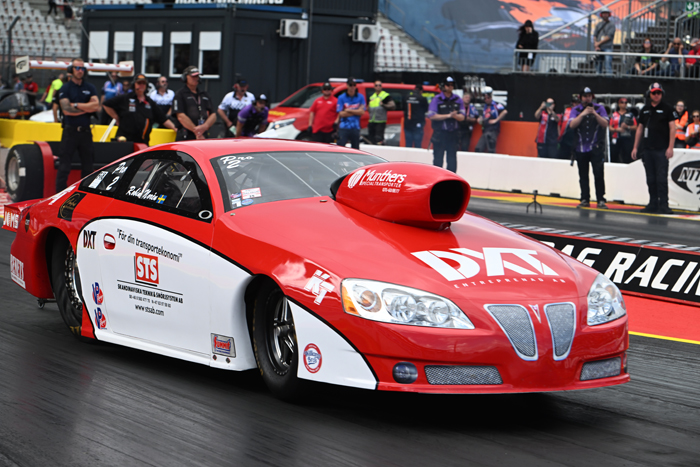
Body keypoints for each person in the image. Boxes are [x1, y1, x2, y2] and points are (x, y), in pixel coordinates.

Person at [56, 58, 100, 192]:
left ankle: (86, 193)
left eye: (82, 68)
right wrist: (87, 108)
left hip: (86, 132)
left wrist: (76, 105)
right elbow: (66, 110)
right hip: (70, 132)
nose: (80, 71)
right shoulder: (65, 88)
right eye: (77, 68)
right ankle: (59, 193)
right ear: (71, 70)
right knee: (64, 167)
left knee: (88, 167)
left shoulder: (90, 87)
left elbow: (96, 106)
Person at [632, 83, 676, 214]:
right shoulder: (645, 109)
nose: (656, 95)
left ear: (662, 94)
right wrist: (635, 147)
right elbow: (640, 129)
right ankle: (653, 203)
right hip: (647, 148)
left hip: (661, 149)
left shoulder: (668, 108)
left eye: (658, 93)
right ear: (649, 94)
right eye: (654, 93)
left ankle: (664, 204)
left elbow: (672, 128)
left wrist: (670, 147)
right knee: (650, 178)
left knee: (661, 178)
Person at [102, 74, 176, 145]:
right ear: (134, 84)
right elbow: (106, 104)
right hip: (125, 141)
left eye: (143, 83)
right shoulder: (125, 98)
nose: (141, 85)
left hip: (142, 141)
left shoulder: (150, 102)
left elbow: (163, 118)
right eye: (139, 83)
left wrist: (175, 128)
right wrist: (116, 117)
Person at [568, 87, 609, 209]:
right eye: (585, 96)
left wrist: (594, 113)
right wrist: (583, 114)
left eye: (589, 96)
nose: (587, 98)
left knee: (599, 174)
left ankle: (600, 199)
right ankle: (585, 198)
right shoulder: (576, 110)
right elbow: (572, 125)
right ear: (581, 97)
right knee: (583, 175)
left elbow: (605, 124)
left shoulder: (599, 108)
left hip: (596, 147)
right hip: (580, 147)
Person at [427, 76, 465, 172]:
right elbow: (431, 115)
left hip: (453, 135)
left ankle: (451, 179)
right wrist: (448, 115)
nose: (450, 86)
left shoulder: (458, 99)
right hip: (440, 134)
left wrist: (455, 116)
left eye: (452, 85)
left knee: (452, 160)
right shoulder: (437, 99)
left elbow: (462, 117)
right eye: (448, 85)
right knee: (438, 160)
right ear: (443, 86)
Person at [172, 66, 216, 141]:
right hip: (186, 136)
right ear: (185, 77)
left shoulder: (204, 94)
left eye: (197, 76)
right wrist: (197, 132)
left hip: (203, 135)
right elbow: (180, 116)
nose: (196, 78)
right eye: (193, 76)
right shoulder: (180, 94)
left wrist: (204, 127)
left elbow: (213, 115)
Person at [336, 77, 365, 149]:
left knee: (355, 149)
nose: (352, 87)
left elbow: (362, 112)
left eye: (354, 85)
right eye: (350, 85)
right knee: (340, 147)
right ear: (347, 85)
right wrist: (356, 111)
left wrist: (348, 110)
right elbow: (341, 114)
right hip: (344, 127)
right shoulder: (341, 97)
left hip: (355, 127)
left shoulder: (361, 97)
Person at [475, 86, 507, 153]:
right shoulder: (485, 106)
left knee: (491, 149)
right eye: (485, 98)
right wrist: (480, 120)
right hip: (485, 130)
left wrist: (496, 120)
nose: (486, 99)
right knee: (478, 149)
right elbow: (484, 117)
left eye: (488, 97)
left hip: (493, 130)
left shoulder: (496, 104)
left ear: (491, 96)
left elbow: (505, 111)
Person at [609, 98, 637, 164]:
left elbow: (636, 127)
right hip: (616, 138)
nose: (624, 104)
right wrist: (617, 129)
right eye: (622, 102)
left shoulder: (630, 115)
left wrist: (627, 127)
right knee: (614, 156)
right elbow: (610, 127)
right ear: (618, 104)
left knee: (627, 157)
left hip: (626, 138)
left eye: (625, 102)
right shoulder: (614, 115)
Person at [367, 80, 395, 145]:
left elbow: (392, 105)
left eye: (379, 85)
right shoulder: (372, 96)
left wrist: (383, 105)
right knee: (371, 139)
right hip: (372, 121)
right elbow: (368, 108)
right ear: (374, 87)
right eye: (376, 85)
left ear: (381, 86)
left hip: (380, 121)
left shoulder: (385, 95)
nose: (378, 87)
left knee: (379, 139)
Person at [403, 83, 429, 148]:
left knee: (408, 144)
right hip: (418, 124)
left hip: (407, 124)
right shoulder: (422, 99)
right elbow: (426, 110)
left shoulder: (407, 97)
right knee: (418, 144)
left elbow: (404, 109)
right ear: (421, 91)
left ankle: (408, 154)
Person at [594, 8, 615, 75]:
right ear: (601, 15)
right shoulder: (598, 24)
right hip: (599, 48)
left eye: (606, 13)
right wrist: (596, 45)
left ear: (609, 15)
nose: (605, 15)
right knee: (598, 65)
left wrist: (598, 43)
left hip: (608, 47)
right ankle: (598, 78)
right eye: (603, 13)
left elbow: (609, 36)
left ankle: (609, 79)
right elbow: (595, 35)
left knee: (608, 65)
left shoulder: (612, 24)